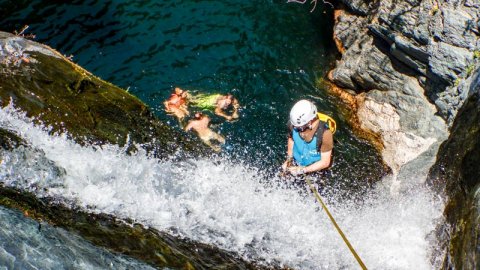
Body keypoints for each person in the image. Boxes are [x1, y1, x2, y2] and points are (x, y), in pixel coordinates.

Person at [282, 99, 334, 177]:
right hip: (296, 163)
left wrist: (303, 170)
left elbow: (325, 162)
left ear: (309, 122)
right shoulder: (293, 124)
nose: (296, 128)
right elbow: (291, 139)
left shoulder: (325, 134)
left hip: (314, 170)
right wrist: (289, 160)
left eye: (299, 128)